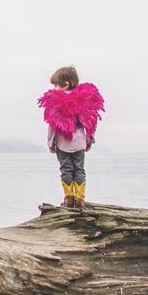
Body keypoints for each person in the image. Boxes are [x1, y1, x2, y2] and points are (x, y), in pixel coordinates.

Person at [38, 66, 105, 208]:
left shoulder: (56, 101)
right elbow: (90, 122)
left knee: (66, 169)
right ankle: (80, 199)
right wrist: (89, 139)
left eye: (56, 85)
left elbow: (52, 126)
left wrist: (50, 143)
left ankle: (68, 199)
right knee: (79, 169)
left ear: (66, 84)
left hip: (63, 144)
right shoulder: (84, 100)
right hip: (79, 144)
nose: (54, 88)